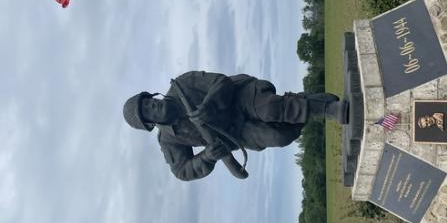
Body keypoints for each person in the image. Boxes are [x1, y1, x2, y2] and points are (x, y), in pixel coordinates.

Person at [123, 71, 349, 181]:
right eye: (147, 112)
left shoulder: (182, 84)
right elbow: (181, 171)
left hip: (240, 96)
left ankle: (327, 110)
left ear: (152, 96)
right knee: (279, 138)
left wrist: (209, 105)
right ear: (150, 124)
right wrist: (208, 157)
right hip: (237, 134)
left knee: (270, 109)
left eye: (148, 102)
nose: (152, 106)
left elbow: (221, 81)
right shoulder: (169, 140)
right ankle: (307, 101)